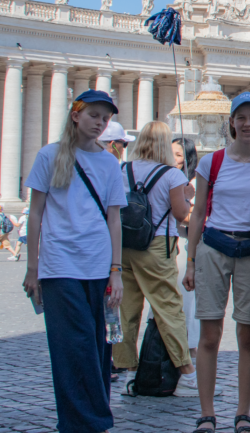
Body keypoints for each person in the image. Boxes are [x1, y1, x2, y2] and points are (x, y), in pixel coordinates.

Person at [22, 90, 128, 433]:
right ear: (76, 115)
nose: (100, 123)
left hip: (98, 265)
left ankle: (89, 417)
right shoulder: (49, 156)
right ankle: (85, 421)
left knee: (98, 346)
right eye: (94, 115)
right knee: (73, 345)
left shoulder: (110, 162)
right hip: (59, 265)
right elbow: (35, 214)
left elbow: (115, 219)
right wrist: (32, 269)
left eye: (105, 118)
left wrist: (117, 271)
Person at [184, 92, 250, 433]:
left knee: (248, 335)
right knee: (210, 334)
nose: (248, 123)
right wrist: (191, 260)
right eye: (242, 117)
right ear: (232, 123)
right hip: (215, 246)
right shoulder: (212, 162)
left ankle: (243, 412)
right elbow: (197, 215)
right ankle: (207, 413)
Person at [113, 121, 198, 394]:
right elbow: (180, 214)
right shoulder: (172, 175)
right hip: (157, 245)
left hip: (125, 245)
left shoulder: (123, 170)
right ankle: (186, 368)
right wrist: (187, 197)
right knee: (168, 308)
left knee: (126, 309)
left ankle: (128, 366)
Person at [173, 137, 202, 363]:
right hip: (168, 246)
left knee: (188, 301)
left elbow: (198, 217)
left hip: (187, 245)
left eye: (179, 155)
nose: (174, 160)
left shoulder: (195, 181)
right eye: (171, 153)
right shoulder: (167, 177)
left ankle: (191, 350)